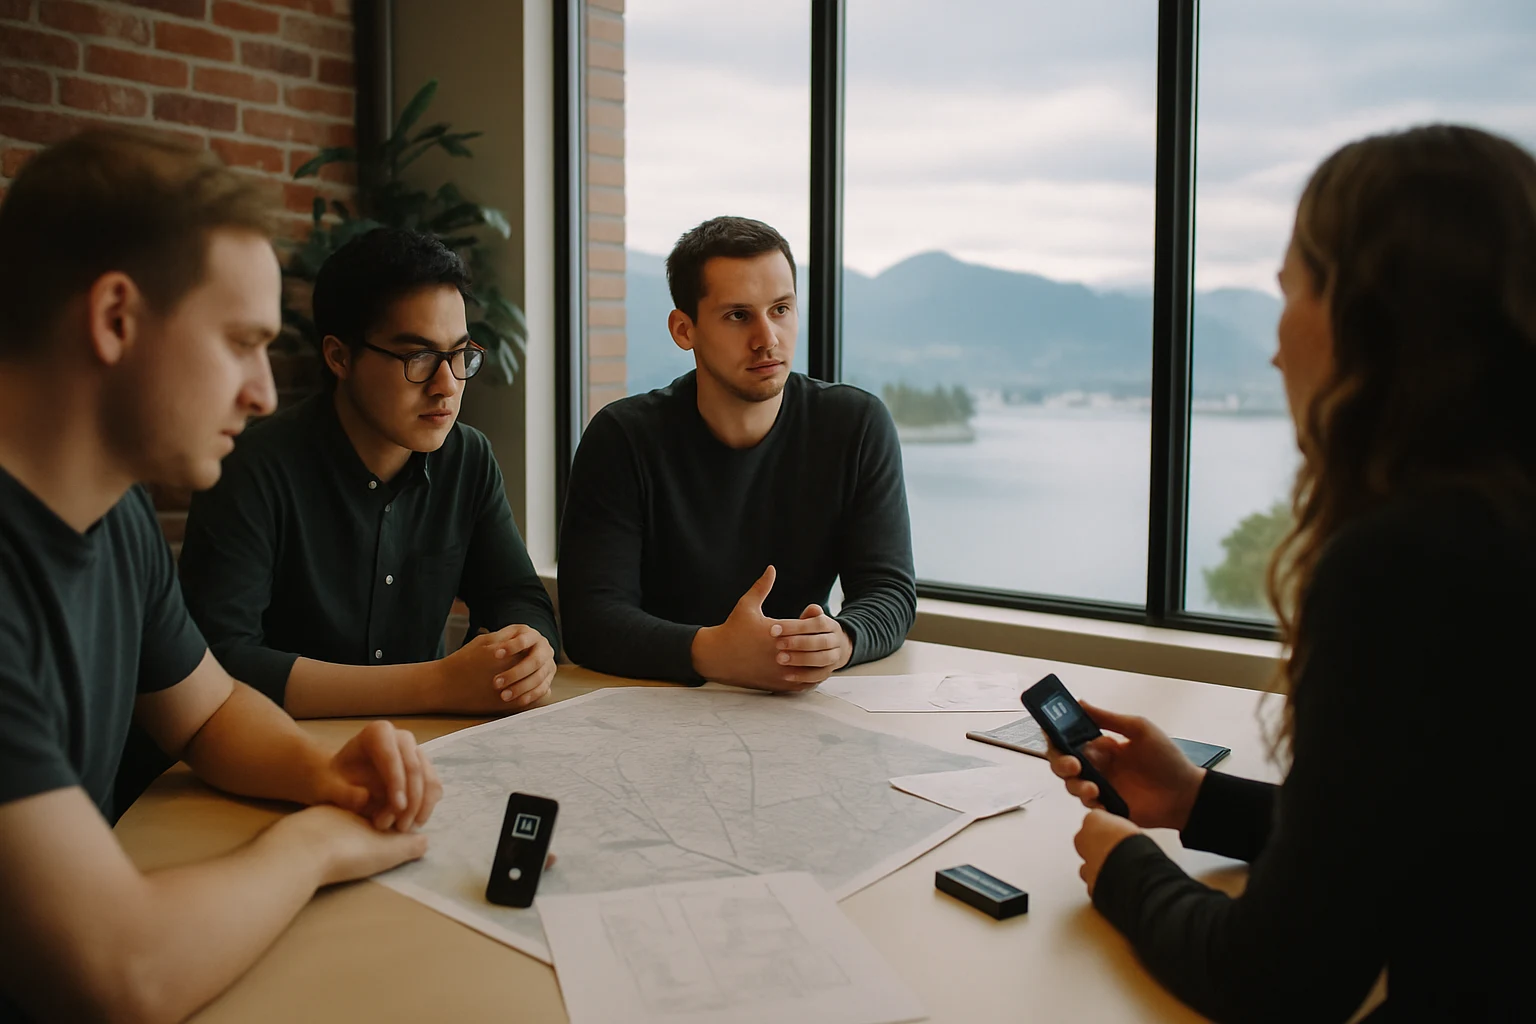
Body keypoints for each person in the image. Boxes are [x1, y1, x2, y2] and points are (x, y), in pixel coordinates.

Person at [1046, 124, 1529, 1022]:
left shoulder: (1407, 565)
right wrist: (1201, 801)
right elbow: (1453, 832)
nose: (1272, 350)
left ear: (1369, 312)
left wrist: (1125, 867)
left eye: (1289, 292)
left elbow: (1273, 980)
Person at [0, 129, 441, 1023]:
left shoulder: (113, 513)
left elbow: (204, 709)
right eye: (240, 343)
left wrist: (326, 775)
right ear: (115, 318)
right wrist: (316, 843)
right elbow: (124, 972)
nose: (264, 393)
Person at [174, 228, 559, 728]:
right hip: (275, 747)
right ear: (339, 357)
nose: (447, 385)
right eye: (418, 357)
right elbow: (220, 659)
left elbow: (517, 595)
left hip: (424, 748)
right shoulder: (253, 468)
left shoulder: (467, 458)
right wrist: (436, 684)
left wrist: (527, 647)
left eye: (460, 354)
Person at [558, 216, 916, 689]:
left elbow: (889, 591)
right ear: (685, 330)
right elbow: (591, 621)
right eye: (738, 315)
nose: (767, 338)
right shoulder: (622, 437)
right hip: (651, 704)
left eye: (781, 309)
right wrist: (715, 652)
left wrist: (841, 640)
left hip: (796, 708)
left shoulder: (856, 425)